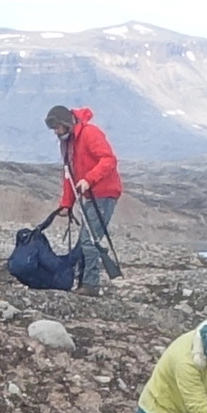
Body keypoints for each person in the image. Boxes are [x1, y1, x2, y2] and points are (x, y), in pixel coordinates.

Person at [42, 99, 124, 291]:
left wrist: (89, 179)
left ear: (67, 124)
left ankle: (90, 284)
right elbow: (68, 175)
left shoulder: (90, 133)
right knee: (86, 240)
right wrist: (66, 204)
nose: (56, 132)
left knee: (89, 240)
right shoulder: (68, 143)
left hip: (104, 193)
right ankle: (84, 281)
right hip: (90, 195)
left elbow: (108, 159)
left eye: (57, 127)